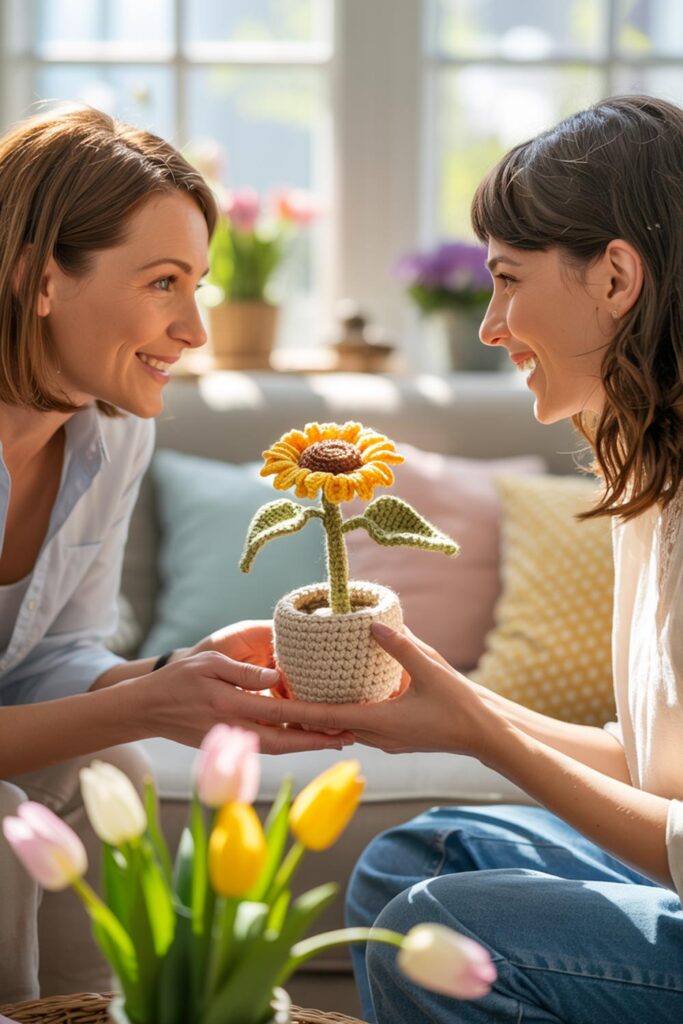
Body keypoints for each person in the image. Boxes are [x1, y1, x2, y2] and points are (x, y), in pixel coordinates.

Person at [272, 94, 683, 1021]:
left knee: (443, 927)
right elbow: (653, 769)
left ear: (616, 277)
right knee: (418, 858)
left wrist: (478, 732)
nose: (491, 326)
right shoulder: (646, 470)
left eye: (508, 279)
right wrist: (433, 701)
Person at [0, 105, 348, 1001]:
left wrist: (177, 673)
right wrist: (153, 704)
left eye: (196, 284)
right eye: (162, 282)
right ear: (41, 280)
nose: (193, 328)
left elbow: (52, 659)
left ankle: (91, 1017)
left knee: (106, 768)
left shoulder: (112, 437)